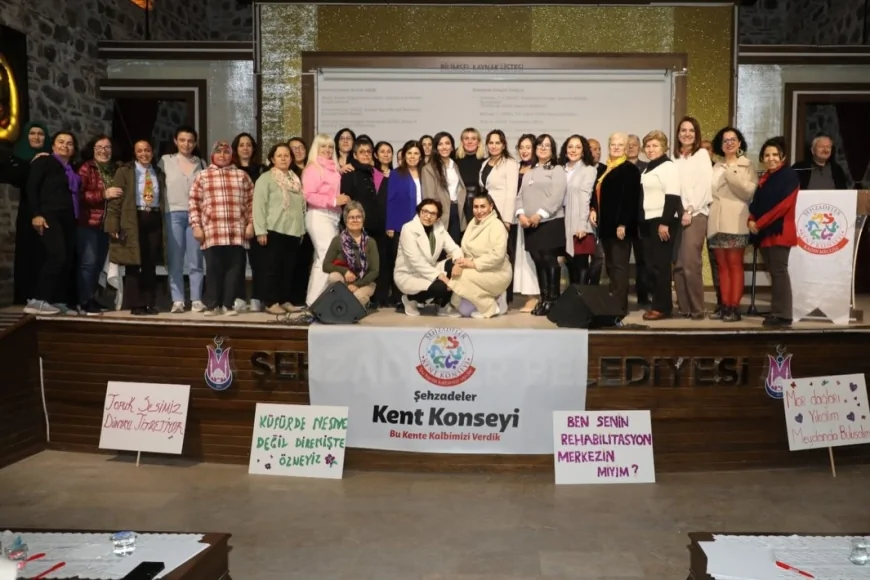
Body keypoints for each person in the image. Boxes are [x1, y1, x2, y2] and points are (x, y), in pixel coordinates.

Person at [188, 141, 255, 316]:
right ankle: (213, 305)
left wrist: (251, 224)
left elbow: (251, 203)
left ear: (231, 155)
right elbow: (194, 203)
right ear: (213, 155)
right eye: (219, 152)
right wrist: (196, 226)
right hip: (212, 232)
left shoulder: (241, 176)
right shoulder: (202, 176)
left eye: (226, 153)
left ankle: (228, 305)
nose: (222, 156)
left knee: (234, 271)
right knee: (213, 270)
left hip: (237, 233)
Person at [105, 139, 166, 315]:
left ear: (152, 152)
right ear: (135, 154)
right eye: (140, 151)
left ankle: (149, 301)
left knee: (150, 262)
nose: (144, 154)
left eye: (147, 150)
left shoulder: (158, 172)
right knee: (133, 261)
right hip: (133, 217)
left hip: (153, 216)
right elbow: (116, 200)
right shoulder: (125, 171)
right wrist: (112, 224)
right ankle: (135, 304)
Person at [24, 131, 80, 315]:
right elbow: (31, 188)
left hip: (69, 218)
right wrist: (36, 214)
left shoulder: (71, 168)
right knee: (57, 256)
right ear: (53, 145)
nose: (65, 145)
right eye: (61, 142)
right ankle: (38, 300)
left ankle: (57, 300)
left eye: (69, 143)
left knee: (67, 260)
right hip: (49, 216)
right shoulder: (44, 162)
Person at [708, 127, 758, 322]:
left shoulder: (747, 165)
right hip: (715, 221)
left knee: (735, 265)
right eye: (725, 140)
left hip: (736, 219)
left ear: (739, 143)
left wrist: (731, 171)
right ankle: (725, 305)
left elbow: (748, 192)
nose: (729, 142)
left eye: (733, 139)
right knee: (722, 266)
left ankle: (734, 307)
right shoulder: (715, 166)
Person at [749, 137, 799, 328]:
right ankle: (777, 312)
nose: (771, 158)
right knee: (774, 273)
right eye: (767, 155)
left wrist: (759, 223)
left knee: (779, 272)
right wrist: (751, 220)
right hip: (765, 232)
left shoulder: (789, 176)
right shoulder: (766, 178)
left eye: (775, 155)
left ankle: (784, 315)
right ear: (762, 158)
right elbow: (756, 204)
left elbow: (782, 206)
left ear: (782, 156)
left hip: (780, 232)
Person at [516, 134, 567, 316]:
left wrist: (539, 215)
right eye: (540, 145)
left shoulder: (557, 169)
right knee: (538, 261)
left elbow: (557, 196)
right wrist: (521, 214)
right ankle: (544, 299)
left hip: (550, 222)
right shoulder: (529, 171)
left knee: (549, 260)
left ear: (553, 149)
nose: (543, 148)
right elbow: (520, 196)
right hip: (529, 225)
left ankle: (553, 301)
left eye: (547, 145)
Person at [253, 143, 306, 315]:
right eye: (279, 156)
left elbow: (301, 207)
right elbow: (259, 206)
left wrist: (302, 229)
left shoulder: (295, 179)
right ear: (272, 159)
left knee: (288, 268)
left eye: (287, 155)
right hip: (273, 229)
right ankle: (271, 302)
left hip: (293, 230)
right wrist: (260, 230)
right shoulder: (266, 178)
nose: (284, 158)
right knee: (271, 269)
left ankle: (284, 300)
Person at [593, 132, 642, 318]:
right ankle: (614, 302)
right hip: (606, 227)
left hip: (620, 227)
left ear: (626, 147)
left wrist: (623, 224)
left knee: (620, 267)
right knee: (611, 266)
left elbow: (630, 200)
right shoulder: (607, 168)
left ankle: (620, 307)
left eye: (620, 145)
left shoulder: (629, 169)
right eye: (613, 144)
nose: (616, 147)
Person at [1, 121, 50, 305]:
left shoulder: (51, 158)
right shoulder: (16, 158)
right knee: (27, 253)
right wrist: (33, 163)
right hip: (29, 210)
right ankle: (24, 298)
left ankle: (44, 297)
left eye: (41, 134)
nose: (37, 137)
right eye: (33, 133)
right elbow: (15, 179)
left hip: (49, 211)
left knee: (46, 254)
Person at [160, 125, 207, 314]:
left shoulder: (202, 163)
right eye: (182, 140)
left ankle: (196, 299)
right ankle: (177, 300)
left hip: (196, 215)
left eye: (190, 141)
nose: (186, 144)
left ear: (195, 143)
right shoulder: (165, 161)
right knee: (175, 259)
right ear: (175, 141)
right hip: (173, 214)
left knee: (196, 260)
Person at [76, 135, 121, 315]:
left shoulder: (116, 169)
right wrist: (103, 194)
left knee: (98, 264)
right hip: (88, 223)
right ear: (92, 149)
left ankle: (91, 297)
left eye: (107, 147)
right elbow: (79, 196)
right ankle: (83, 301)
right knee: (89, 263)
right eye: (99, 147)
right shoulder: (87, 168)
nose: (104, 150)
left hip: (106, 225)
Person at [638, 130, 681, 320]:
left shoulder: (668, 167)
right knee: (652, 266)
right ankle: (660, 304)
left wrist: (665, 223)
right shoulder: (648, 168)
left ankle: (662, 308)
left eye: (655, 145)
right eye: (647, 146)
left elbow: (672, 196)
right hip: (648, 221)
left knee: (661, 266)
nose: (650, 149)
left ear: (664, 147)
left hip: (662, 221)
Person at [394, 199, 463, 317]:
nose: (428, 216)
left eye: (433, 213)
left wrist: (457, 263)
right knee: (442, 286)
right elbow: (416, 261)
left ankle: (441, 305)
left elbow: (455, 249)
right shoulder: (408, 229)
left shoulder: (439, 227)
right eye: (425, 211)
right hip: (410, 273)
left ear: (437, 217)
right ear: (419, 212)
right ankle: (410, 298)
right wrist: (441, 276)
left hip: (430, 269)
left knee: (455, 266)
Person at [674, 116, 713, 320]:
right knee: (679, 265)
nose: (687, 134)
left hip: (695, 214)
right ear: (678, 133)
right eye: (683, 130)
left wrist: (690, 209)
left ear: (696, 134)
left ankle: (698, 309)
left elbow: (704, 186)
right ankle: (684, 307)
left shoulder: (702, 155)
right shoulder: (675, 158)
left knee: (691, 263)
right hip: (677, 214)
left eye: (691, 130)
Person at [448, 193, 512, 319]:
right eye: (475, 207)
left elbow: (497, 256)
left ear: (491, 207)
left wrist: (471, 264)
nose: (479, 211)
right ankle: (497, 299)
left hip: (497, 272)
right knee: (464, 310)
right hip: (476, 270)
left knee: (461, 277)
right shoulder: (473, 223)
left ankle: (490, 306)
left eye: (483, 206)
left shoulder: (497, 226)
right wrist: (459, 263)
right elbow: (464, 248)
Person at [303, 133, 349, 306]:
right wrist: (334, 200)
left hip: (333, 216)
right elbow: (308, 195)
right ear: (316, 148)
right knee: (325, 258)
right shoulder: (313, 168)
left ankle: (318, 299)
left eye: (330, 146)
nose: (327, 150)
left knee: (322, 257)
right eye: (323, 146)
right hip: (318, 215)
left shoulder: (334, 169)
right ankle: (313, 301)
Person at [386, 141, 424, 309]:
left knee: (420, 260)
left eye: (416, 153)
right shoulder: (396, 174)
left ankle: (418, 297)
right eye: (409, 153)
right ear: (404, 155)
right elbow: (391, 200)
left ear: (421, 155)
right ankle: (399, 298)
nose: (412, 157)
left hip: (423, 223)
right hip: (402, 223)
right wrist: (390, 225)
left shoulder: (426, 172)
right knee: (401, 262)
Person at [231, 132, 265, 312]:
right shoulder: (230, 170)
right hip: (235, 222)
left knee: (258, 262)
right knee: (237, 263)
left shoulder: (262, 170)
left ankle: (257, 297)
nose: (245, 148)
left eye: (249, 145)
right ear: (236, 149)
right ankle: (238, 297)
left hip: (258, 222)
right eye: (241, 145)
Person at [323, 202, 380, 308]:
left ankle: (359, 303)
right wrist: (345, 271)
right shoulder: (337, 240)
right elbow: (326, 265)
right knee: (333, 277)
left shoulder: (370, 242)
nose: (355, 220)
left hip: (365, 283)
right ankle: (343, 305)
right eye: (351, 217)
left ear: (363, 219)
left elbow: (375, 271)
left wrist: (356, 285)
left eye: (358, 217)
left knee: (357, 297)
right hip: (344, 283)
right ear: (346, 220)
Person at [560, 134, 598, 286]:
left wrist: (582, 224)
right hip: (563, 220)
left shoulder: (588, 169)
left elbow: (585, 197)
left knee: (581, 263)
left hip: (578, 221)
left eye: (578, 147)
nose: (573, 150)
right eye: (570, 147)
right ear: (565, 150)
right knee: (569, 263)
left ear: (583, 151)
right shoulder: (560, 169)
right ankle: (573, 299)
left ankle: (581, 301)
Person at [421, 131, 466, 244]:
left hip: (456, 211)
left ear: (452, 147)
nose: (444, 147)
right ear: (436, 147)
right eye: (440, 144)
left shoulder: (455, 165)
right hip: (440, 213)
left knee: (455, 247)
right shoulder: (428, 169)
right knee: (440, 249)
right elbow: (429, 196)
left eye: (447, 143)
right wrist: (435, 214)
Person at [513, 133, 541, 312]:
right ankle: (530, 295)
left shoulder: (541, 168)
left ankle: (537, 296)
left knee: (534, 257)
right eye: (521, 147)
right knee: (523, 259)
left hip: (537, 220)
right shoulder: (516, 168)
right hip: (520, 219)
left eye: (528, 147)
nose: (524, 151)